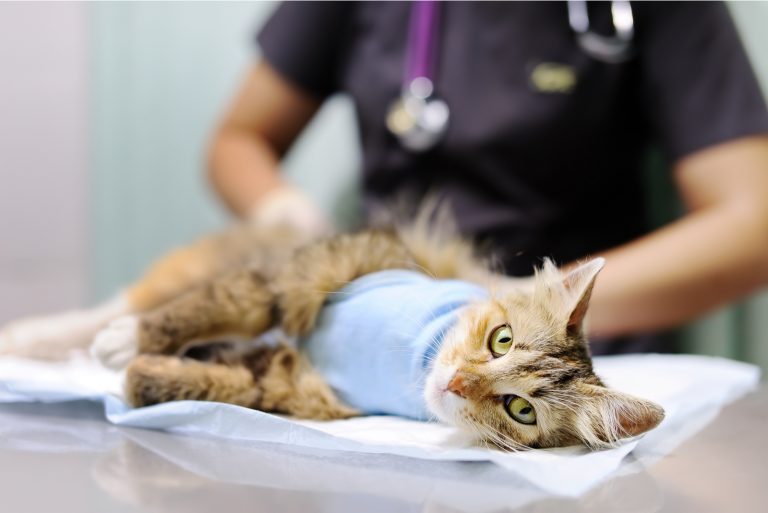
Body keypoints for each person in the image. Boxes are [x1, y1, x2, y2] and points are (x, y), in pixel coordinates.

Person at [207, 1, 768, 354]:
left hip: (579, 349)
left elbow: (753, 224)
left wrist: (530, 304)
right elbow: (239, 139)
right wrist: (290, 217)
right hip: (391, 322)